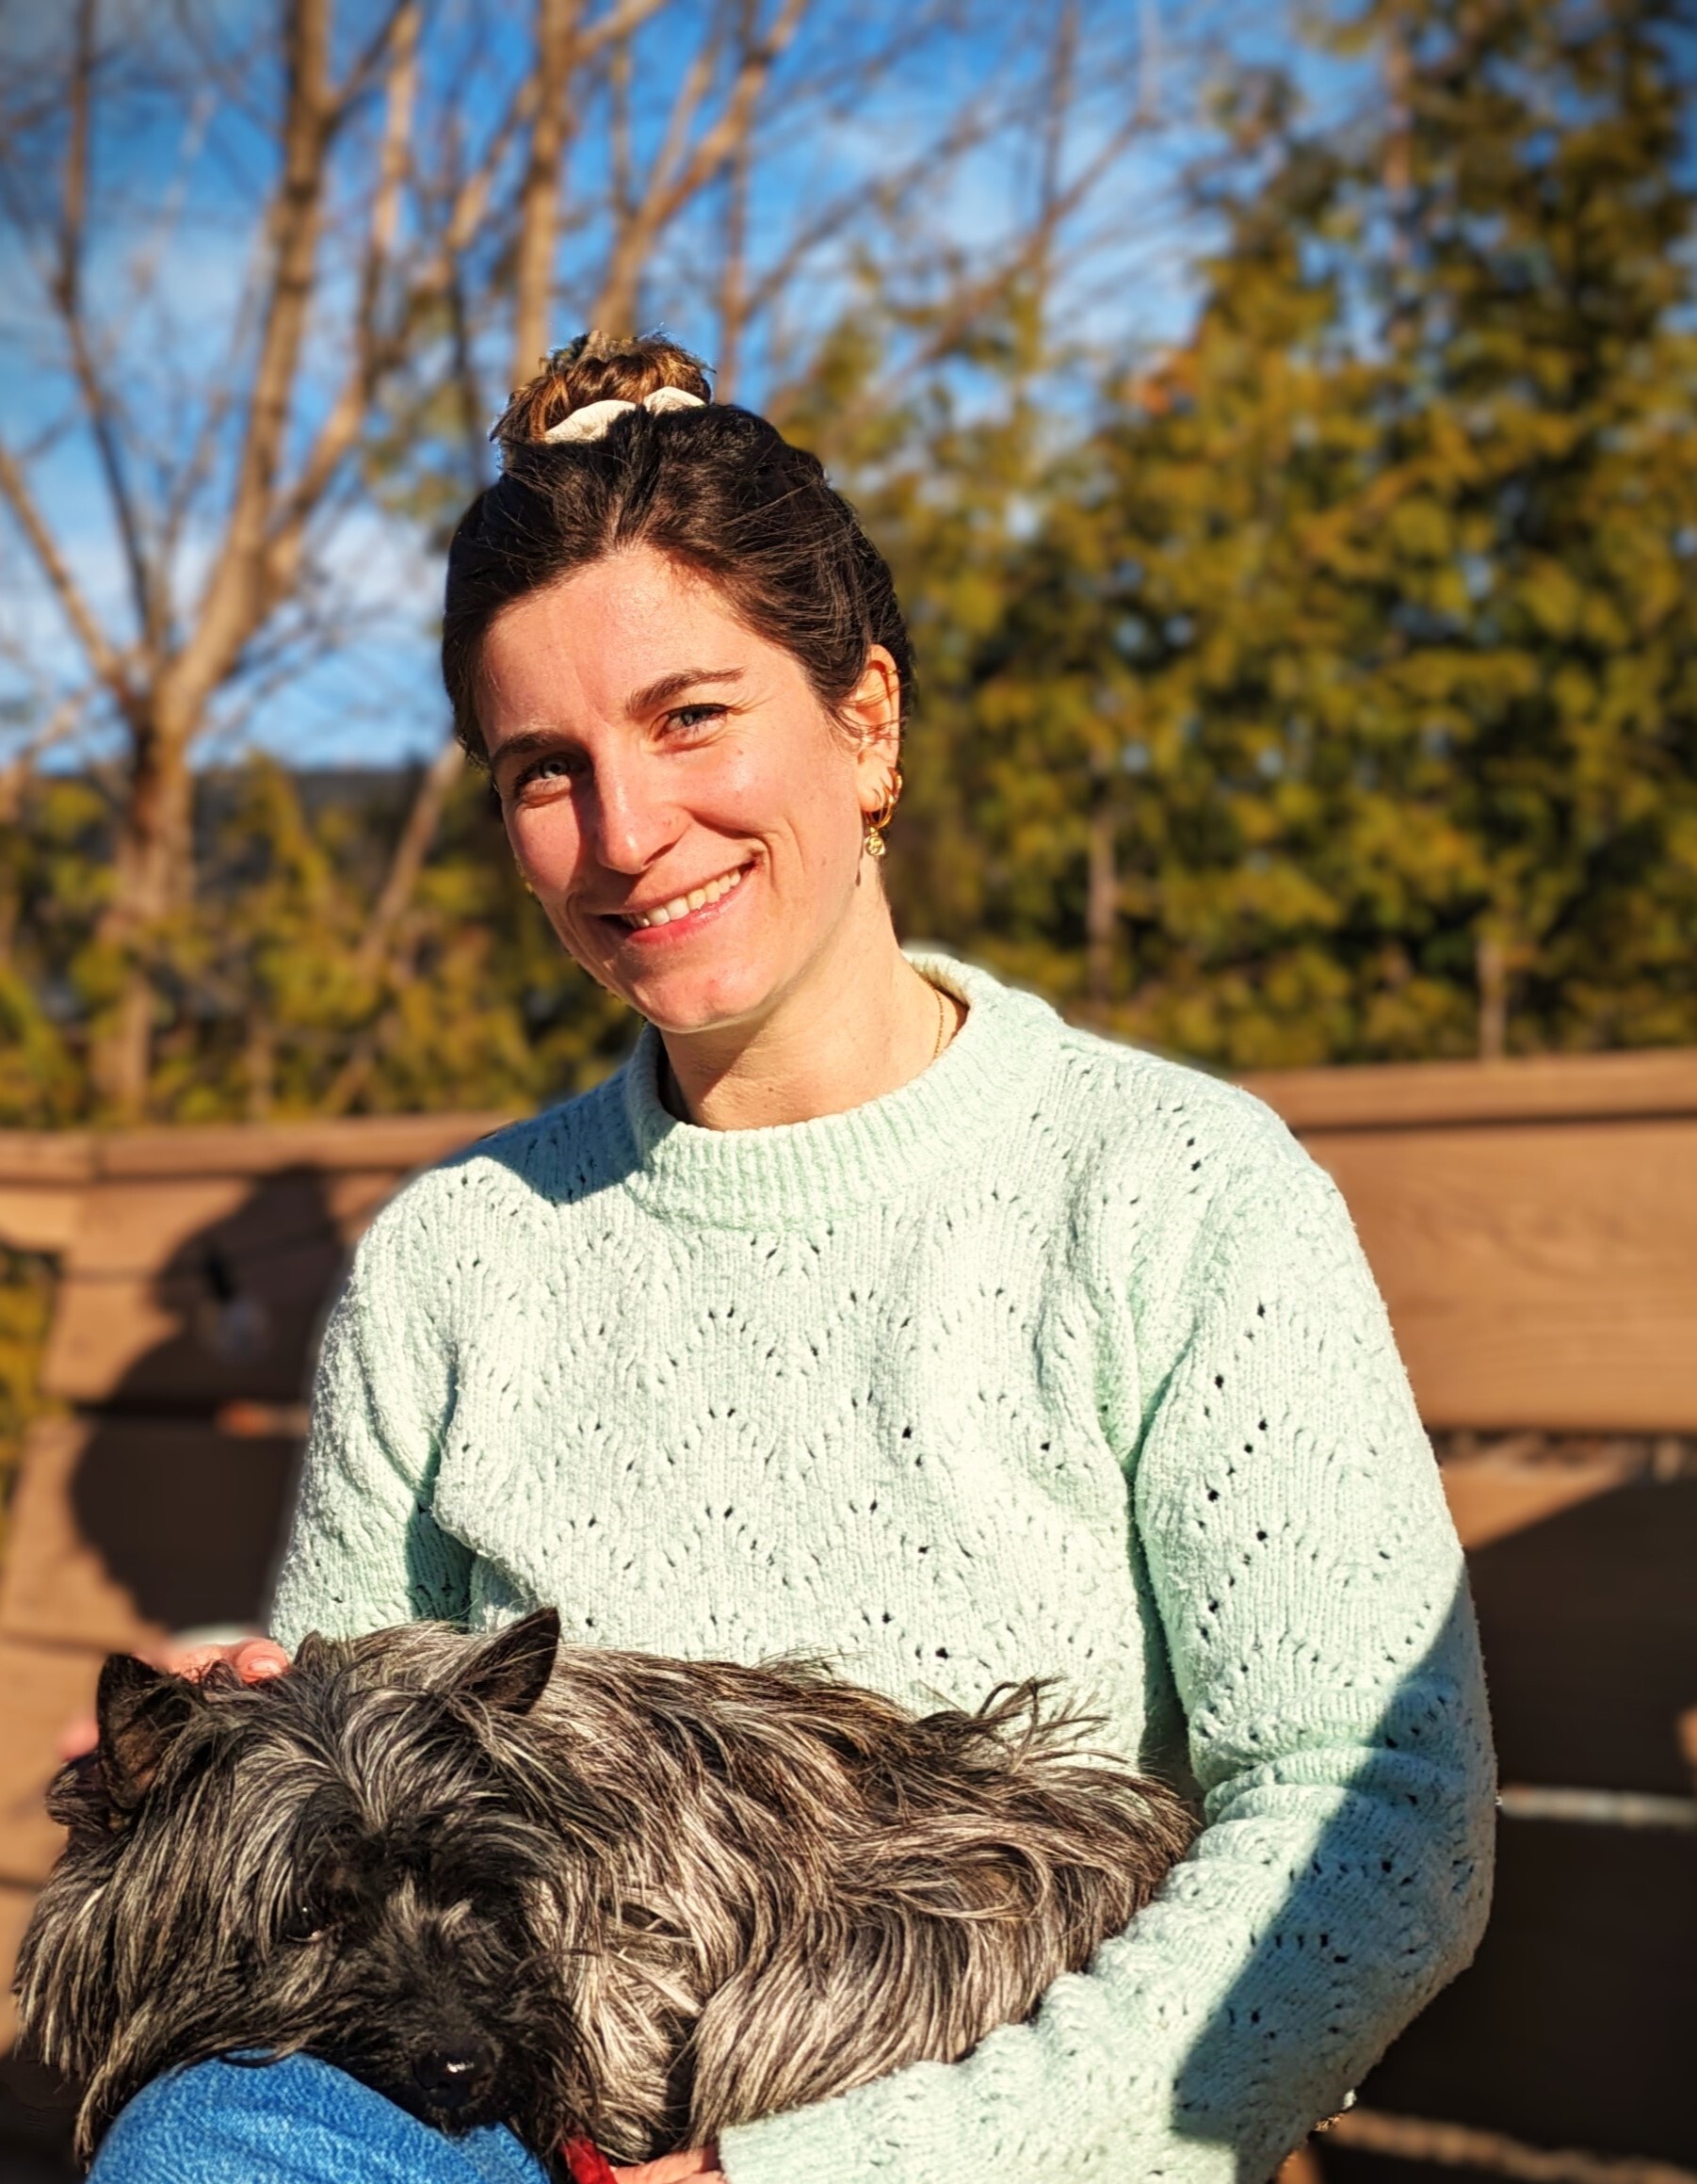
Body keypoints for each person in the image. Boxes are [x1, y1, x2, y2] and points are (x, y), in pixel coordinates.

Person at [145, 331, 1495, 2184]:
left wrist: (823, 2166)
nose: (627, 835)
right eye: (544, 769)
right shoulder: (459, 1255)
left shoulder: (1169, 1187)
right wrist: (230, 1745)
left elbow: (1377, 1817)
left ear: (866, 718)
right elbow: (350, 1812)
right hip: (510, 2116)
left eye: (690, 717)